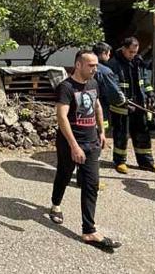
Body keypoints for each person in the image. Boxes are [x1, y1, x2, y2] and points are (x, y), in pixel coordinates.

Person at [50, 50, 121, 251]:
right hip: (70, 143)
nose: (95, 69)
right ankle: (55, 204)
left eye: (96, 65)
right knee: (64, 174)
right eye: (91, 65)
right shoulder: (66, 87)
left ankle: (89, 230)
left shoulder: (94, 83)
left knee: (91, 184)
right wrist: (74, 145)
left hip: (91, 142)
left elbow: (97, 106)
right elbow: (62, 117)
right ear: (78, 65)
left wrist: (102, 131)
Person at [106, 37, 155, 174]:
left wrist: (150, 93)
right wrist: (123, 100)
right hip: (122, 106)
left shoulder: (138, 62)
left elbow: (144, 79)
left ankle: (146, 163)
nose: (133, 55)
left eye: (135, 52)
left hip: (139, 104)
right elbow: (113, 86)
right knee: (121, 134)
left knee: (143, 133)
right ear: (124, 49)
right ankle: (120, 161)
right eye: (131, 52)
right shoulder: (114, 64)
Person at [92, 42, 126, 133]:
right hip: (100, 110)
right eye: (108, 54)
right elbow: (114, 93)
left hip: (83, 112)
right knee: (100, 134)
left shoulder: (82, 68)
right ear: (103, 53)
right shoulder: (105, 71)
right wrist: (123, 101)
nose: (109, 57)